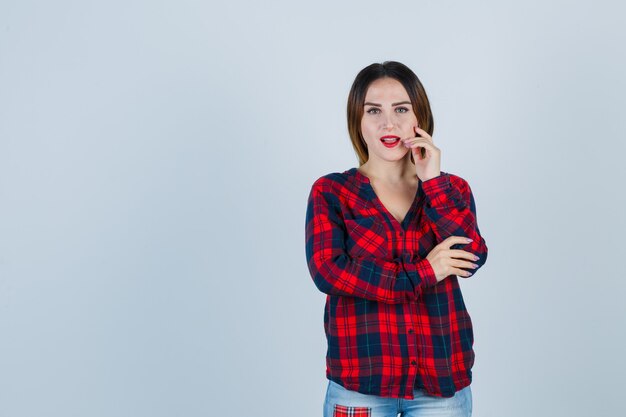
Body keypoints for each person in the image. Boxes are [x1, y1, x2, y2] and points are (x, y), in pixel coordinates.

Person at [304, 61, 488, 417]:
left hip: (442, 385)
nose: (388, 123)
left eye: (401, 109)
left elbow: (472, 257)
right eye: (373, 111)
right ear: (358, 121)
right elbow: (329, 271)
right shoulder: (332, 192)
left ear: (420, 117)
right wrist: (425, 272)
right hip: (361, 385)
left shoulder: (451, 189)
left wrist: (432, 182)